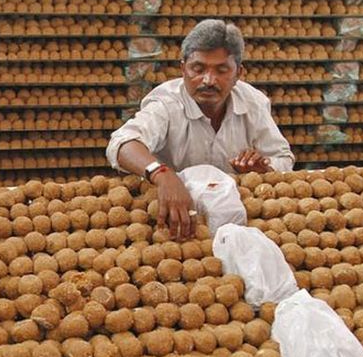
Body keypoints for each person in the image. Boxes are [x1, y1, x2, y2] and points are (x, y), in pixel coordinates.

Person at [106, 19, 294, 239]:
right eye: (198, 68)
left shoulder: (253, 103)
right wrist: (162, 174)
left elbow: (283, 157)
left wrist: (264, 170)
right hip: (175, 221)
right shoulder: (166, 103)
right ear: (182, 68)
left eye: (222, 70)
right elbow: (122, 143)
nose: (208, 80)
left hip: (238, 217)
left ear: (238, 73)